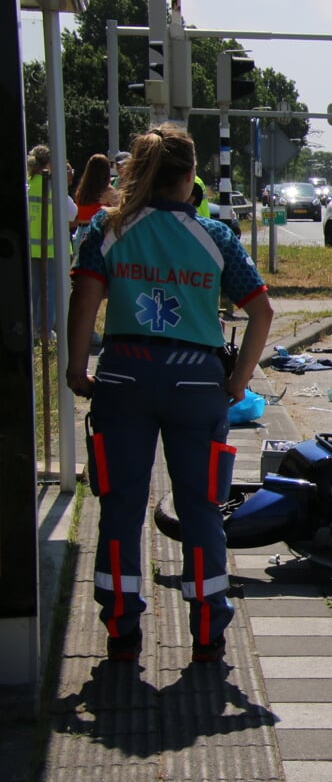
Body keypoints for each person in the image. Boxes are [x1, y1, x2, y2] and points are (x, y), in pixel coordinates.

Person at [66, 124, 274, 664]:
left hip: (122, 379)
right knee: (202, 509)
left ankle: (121, 627)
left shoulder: (107, 230)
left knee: (120, 505)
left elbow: (84, 302)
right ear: (188, 177)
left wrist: (75, 367)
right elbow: (261, 311)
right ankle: (207, 632)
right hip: (195, 383)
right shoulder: (216, 238)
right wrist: (239, 380)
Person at [27, 144, 77, 339]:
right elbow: (73, 214)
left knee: (34, 290)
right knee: (50, 290)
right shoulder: (53, 188)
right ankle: (44, 329)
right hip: (51, 248)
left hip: (31, 247)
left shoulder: (28, 185)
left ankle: (33, 327)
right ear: (49, 164)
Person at [72, 153, 118, 248]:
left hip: (80, 233)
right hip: (98, 234)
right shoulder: (107, 191)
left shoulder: (81, 191)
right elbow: (121, 211)